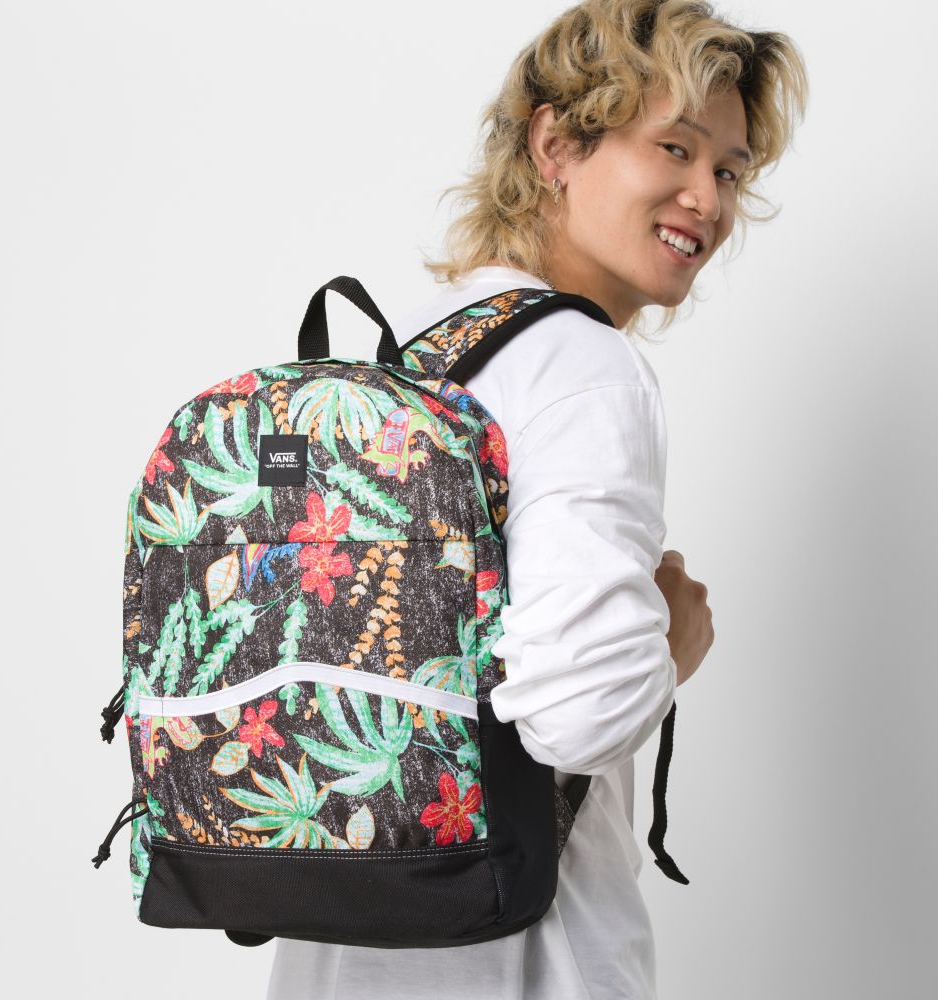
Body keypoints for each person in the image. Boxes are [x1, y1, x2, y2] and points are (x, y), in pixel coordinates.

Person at [266, 1, 808, 997]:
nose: (706, 198)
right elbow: (581, 715)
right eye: (674, 148)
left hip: (339, 939)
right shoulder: (582, 365)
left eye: (729, 170)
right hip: (515, 956)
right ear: (556, 144)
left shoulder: (413, 347)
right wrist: (672, 643)